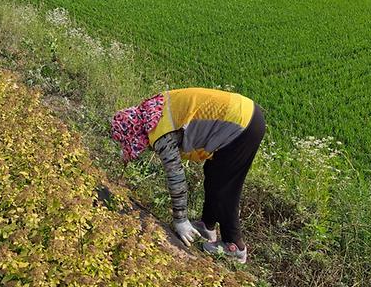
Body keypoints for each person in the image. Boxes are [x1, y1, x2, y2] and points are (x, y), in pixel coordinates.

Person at [110, 87, 265, 264]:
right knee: (213, 175)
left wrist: (180, 220)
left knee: (225, 187)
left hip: (242, 125)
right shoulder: (151, 111)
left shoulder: (161, 134)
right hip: (241, 112)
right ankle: (207, 226)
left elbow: (176, 177)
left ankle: (235, 246)